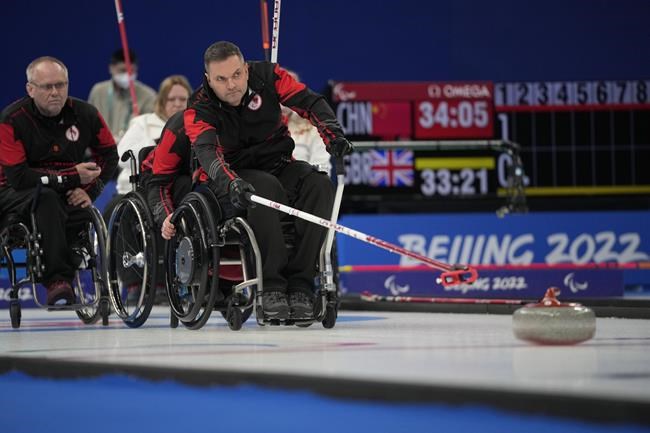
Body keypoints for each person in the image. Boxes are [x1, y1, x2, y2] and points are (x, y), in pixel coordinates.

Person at [182, 41, 353, 321]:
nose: (231, 84)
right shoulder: (198, 107)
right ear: (208, 80)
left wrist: (333, 134)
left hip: (277, 164)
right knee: (263, 187)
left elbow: (310, 101)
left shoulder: (269, 76)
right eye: (221, 79)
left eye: (236, 74)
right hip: (228, 179)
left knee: (319, 185)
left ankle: (300, 284)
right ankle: (271, 285)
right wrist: (231, 183)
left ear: (246, 70)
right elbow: (207, 154)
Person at [0, 56, 118, 305]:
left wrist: (91, 190)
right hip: (14, 192)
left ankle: (73, 252)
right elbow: (19, 178)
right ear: (30, 89)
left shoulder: (85, 114)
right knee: (47, 197)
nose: (55, 92)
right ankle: (57, 280)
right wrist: (72, 177)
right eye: (47, 87)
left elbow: (110, 155)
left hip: (64, 192)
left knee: (75, 205)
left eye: (61, 85)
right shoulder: (12, 120)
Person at [103, 75, 192, 221]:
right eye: (171, 99)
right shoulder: (143, 123)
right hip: (140, 187)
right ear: (162, 101)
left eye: (182, 99)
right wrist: (159, 148)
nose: (177, 104)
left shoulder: (192, 126)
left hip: (177, 185)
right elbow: (122, 156)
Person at [88, 48, 157, 140]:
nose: (128, 75)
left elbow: (149, 132)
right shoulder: (98, 91)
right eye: (123, 70)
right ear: (111, 68)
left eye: (131, 71)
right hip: (100, 150)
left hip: (131, 150)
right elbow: (88, 124)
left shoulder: (148, 96)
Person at [282, 69, 332, 176]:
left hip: (301, 185)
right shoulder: (258, 123)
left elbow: (322, 166)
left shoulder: (313, 126)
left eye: (290, 91)